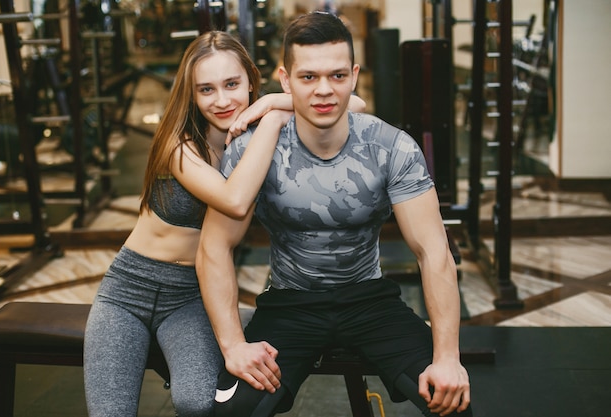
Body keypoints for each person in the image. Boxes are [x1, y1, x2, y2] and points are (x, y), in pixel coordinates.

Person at [196, 12, 472, 417]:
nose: (324, 90)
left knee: (454, 405)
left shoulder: (391, 147)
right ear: (285, 80)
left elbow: (434, 251)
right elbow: (214, 247)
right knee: (233, 411)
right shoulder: (252, 150)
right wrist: (234, 346)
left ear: (355, 75)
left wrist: (447, 356)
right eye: (308, 77)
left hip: (369, 300)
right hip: (290, 302)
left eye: (337, 76)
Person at [83, 30, 366, 417]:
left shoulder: (260, 126)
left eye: (232, 84)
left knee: (197, 404)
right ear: (193, 95)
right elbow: (234, 200)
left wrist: (271, 103)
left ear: (251, 78)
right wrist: (274, 117)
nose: (221, 101)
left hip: (191, 297)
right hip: (128, 290)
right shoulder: (177, 143)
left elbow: (359, 104)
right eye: (206, 90)